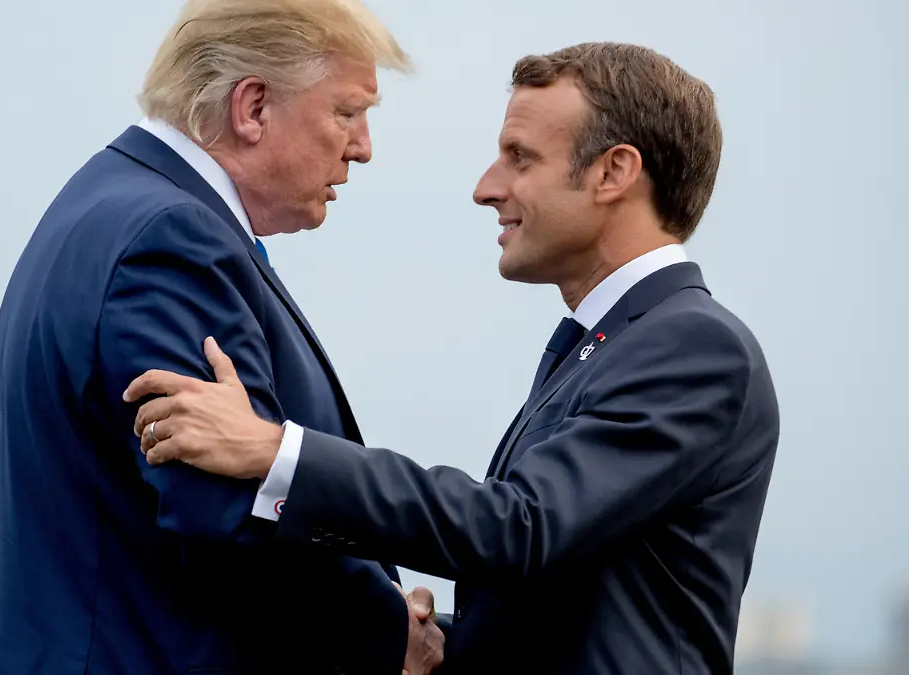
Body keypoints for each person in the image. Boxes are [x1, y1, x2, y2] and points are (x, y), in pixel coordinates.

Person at [123, 42, 781, 674]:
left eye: (519, 158)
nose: (486, 188)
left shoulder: (696, 346)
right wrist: (425, 638)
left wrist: (274, 452)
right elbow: (563, 605)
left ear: (613, 172)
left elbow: (521, 526)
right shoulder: (605, 342)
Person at [0, 1, 444, 673]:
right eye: (347, 112)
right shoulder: (169, 241)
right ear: (253, 107)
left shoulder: (106, 202)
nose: (362, 146)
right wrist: (387, 630)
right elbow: (224, 515)